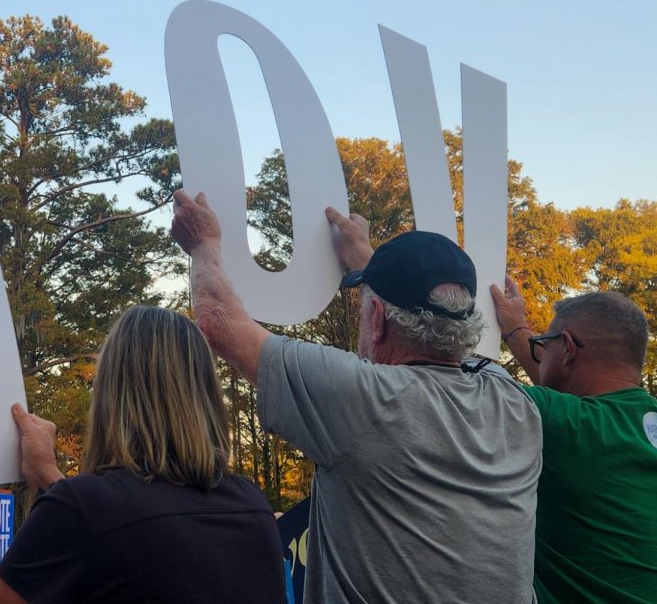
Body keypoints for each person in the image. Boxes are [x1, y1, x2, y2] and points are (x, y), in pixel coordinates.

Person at [171, 189, 542, 603]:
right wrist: (371, 263)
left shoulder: (366, 400)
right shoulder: (513, 401)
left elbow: (218, 321)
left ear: (378, 319)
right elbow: (442, 336)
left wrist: (203, 243)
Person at [0, 305, 286, 604]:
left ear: (112, 396)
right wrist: (49, 474)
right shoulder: (251, 507)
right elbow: (126, 539)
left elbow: (106, 527)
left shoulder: (84, 510)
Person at [491, 281, 657, 603]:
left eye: (544, 345)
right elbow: (561, 380)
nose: (539, 353)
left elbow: (448, 389)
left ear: (566, 348)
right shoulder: (611, 421)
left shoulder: (561, 422)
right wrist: (516, 329)